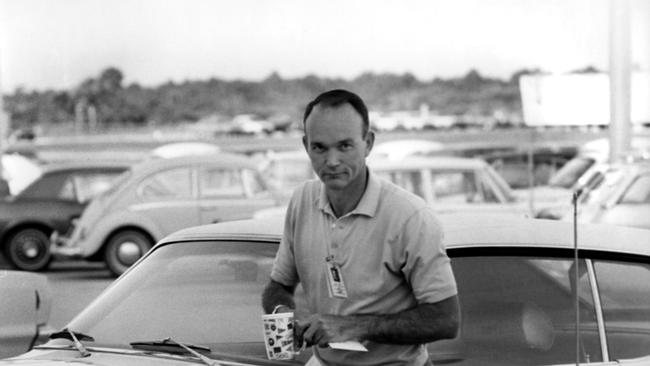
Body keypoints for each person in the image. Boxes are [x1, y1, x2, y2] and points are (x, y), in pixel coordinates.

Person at [261, 89, 459, 366]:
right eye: (319, 147)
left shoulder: (410, 216)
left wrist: (354, 327)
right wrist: (283, 313)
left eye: (344, 146)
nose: (331, 161)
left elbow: (446, 320)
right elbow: (277, 286)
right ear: (306, 146)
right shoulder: (302, 201)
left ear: (368, 143)